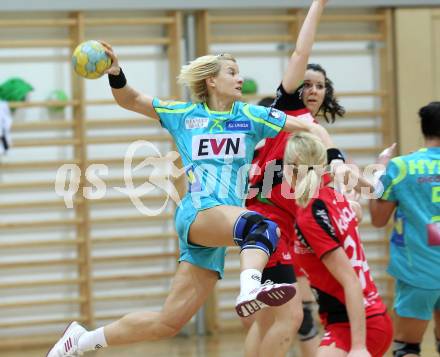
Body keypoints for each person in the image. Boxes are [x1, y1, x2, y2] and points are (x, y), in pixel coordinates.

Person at [46, 33, 338, 355]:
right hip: (198, 211)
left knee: (168, 323)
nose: (240, 78)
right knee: (262, 226)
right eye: (232, 72)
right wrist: (115, 72)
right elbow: (131, 100)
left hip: (223, 222)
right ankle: (250, 287)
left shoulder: (251, 116)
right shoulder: (184, 115)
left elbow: (310, 128)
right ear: (211, 80)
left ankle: (82, 340)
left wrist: (333, 156)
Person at [242, 1, 345, 356]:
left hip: (287, 224)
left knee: (270, 320)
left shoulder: (314, 135)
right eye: (308, 83)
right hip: (268, 220)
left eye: (321, 86)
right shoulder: (288, 110)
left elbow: (323, 185)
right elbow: (303, 49)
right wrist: (318, 5)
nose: (314, 90)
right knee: (291, 318)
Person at [283, 132, 393, 357]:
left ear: (289, 169)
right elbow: (364, 200)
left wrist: (359, 347)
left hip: (356, 324)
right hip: (363, 318)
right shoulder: (331, 196)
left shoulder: (311, 215)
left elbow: (350, 280)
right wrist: (379, 166)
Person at [369, 101, 440, 357]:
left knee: (406, 347)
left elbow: (378, 219)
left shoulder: (402, 167)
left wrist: (378, 171)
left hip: (419, 271)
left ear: (424, 128)